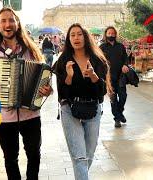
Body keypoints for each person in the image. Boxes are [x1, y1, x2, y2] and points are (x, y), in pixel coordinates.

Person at [0, 7, 52, 180]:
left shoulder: (30, 48)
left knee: (34, 155)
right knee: (10, 158)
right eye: (3, 21)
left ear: (17, 24)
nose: (7, 24)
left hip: (30, 115)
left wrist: (47, 89)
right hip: (3, 116)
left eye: (11, 20)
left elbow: (43, 76)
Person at [53, 23, 112, 180]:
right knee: (79, 157)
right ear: (68, 39)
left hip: (93, 108)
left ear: (85, 37)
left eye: (79, 34)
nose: (76, 38)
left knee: (89, 155)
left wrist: (93, 76)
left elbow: (102, 91)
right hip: (69, 110)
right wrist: (70, 76)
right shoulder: (63, 61)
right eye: (72, 35)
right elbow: (62, 93)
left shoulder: (98, 60)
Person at [100, 26, 129, 128]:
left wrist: (125, 65)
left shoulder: (120, 46)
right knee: (113, 99)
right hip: (109, 78)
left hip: (121, 76)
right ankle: (117, 119)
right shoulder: (102, 47)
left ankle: (119, 114)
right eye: (109, 33)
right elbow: (99, 61)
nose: (111, 35)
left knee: (123, 96)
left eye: (113, 33)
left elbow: (126, 58)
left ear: (115, 34)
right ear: (106, 34)